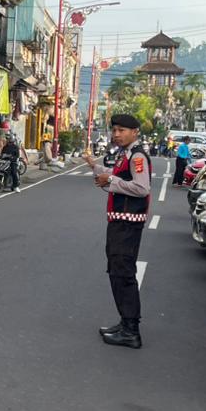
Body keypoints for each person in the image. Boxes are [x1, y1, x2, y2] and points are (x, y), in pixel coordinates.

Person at [85, 114, 152, 349]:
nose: (116, 134)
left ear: (135, 132)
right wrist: (95, 167)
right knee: (116, 271)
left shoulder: (137, 156)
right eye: (114, 130)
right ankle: (125, 322)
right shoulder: (126, 155)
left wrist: (110, 180)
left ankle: (131, 330)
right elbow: (117, 174)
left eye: (122, 130)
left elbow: (142, 188)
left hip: (127, 224)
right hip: (119, 222)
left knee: (123, 274)